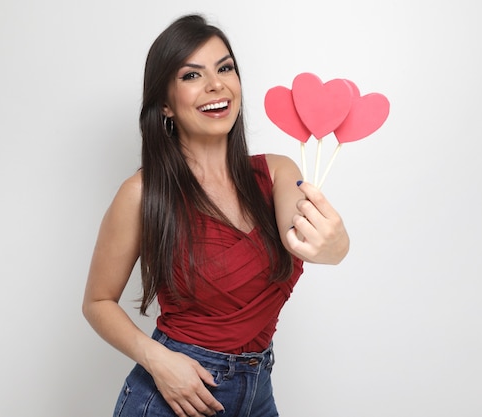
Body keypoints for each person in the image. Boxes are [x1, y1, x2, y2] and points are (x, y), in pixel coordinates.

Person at [82, 14, 349, 417]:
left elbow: (308, 243)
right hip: (176, 393)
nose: (216, 85)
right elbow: (98, 302)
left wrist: (336, 244)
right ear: (166, 104)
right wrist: (159, 361)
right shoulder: (141, 193)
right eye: (192, 76)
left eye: (225, 68)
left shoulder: (277, 172)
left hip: (258, 392)